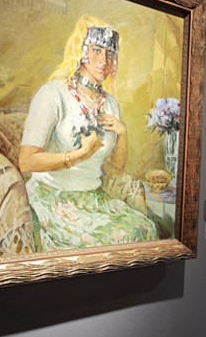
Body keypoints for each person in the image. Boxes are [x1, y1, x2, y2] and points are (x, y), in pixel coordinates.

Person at [19, 16, 158, 251]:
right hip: (53, 199)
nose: (104, 60)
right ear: (80, 51)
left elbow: (117, 167)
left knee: (145, 229)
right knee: (118, 241)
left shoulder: (110, 103)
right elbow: (26, 161)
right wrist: (79, 155)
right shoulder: (53, 94)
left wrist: (122, 135)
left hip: (93, 198)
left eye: (110, 53)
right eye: (96, 50)